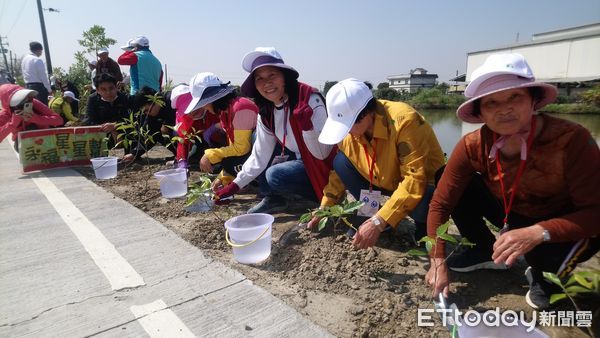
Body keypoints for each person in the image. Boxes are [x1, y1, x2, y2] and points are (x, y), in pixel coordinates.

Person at [425, 53, 600, 310]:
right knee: (446, 179)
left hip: (565, 222)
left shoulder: (571, 140)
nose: (504, 108)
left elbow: (595, 213)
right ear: (480, 111)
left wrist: (536, 233)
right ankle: (485, 249)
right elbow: (440, 204)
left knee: (548, 271)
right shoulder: (473, 146)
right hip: (513, 213)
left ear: (533, 100)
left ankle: (546, 274)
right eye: (491, 102)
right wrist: (437, 260)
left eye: (514, 97)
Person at [311, 78, 445, 249]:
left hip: (422, 185)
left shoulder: (404, 121)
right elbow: (338, 176)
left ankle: (422, 228)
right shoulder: (351, 132)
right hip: (382, 179)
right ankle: (371, 213)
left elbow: (414, 180)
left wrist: (378, 221)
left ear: (366, 114)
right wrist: (325, 206)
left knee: (425, 202)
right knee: (341, 163)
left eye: (347, 126)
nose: (346, 133)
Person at [214, 47, 336, 214]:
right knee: (259, 138)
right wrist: (235, 185)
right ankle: (274, 197)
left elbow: (323, 154)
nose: (267, 83)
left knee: (275, 174)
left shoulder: (309, 100)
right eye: (259, 79)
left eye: (272, 75)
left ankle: (318, 197)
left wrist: (307, 127)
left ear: (285, 77)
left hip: (323, 164)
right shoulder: (267, 111)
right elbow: (260, 155)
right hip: (299, 158)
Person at [182, 72, 258, 188]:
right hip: (252, 154)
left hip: (268, 157)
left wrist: (209, 155)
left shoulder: (241, 108)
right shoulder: (225, 113)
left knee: (228, 162)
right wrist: (223, 178)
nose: (205, 107)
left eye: (205, 103)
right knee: (228, 161)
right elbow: (234, 149)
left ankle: (258, 181)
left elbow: (242, 148)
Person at [122, 86, 177, 162]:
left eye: (148, 110)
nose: (147, 113)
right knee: (157, 133)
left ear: (155, 100)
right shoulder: (152, 115)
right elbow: (148, 135)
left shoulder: (171, 100)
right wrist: (134, 154)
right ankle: (179, 154)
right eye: (144, 112)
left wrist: (167, 124)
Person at [0, 84, 63, 148]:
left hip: (45, 140)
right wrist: (12, 124)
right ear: (8, 104)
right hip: (24, 146)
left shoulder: (34, 103)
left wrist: (35, 118)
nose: (27, 101)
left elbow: (59, 120)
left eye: (27, 97)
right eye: (20, 100)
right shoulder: (6, 114)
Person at [82, 73, 130, 145]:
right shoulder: (93, 99)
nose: (108, 92)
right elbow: (89, 121)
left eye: (111, 88)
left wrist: (115, 126)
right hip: (102, 135)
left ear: (116, 87)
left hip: (124, 134)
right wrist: (108, 128)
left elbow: (131, 119)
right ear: (97, 90)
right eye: (103, 89)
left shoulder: (124, 98)